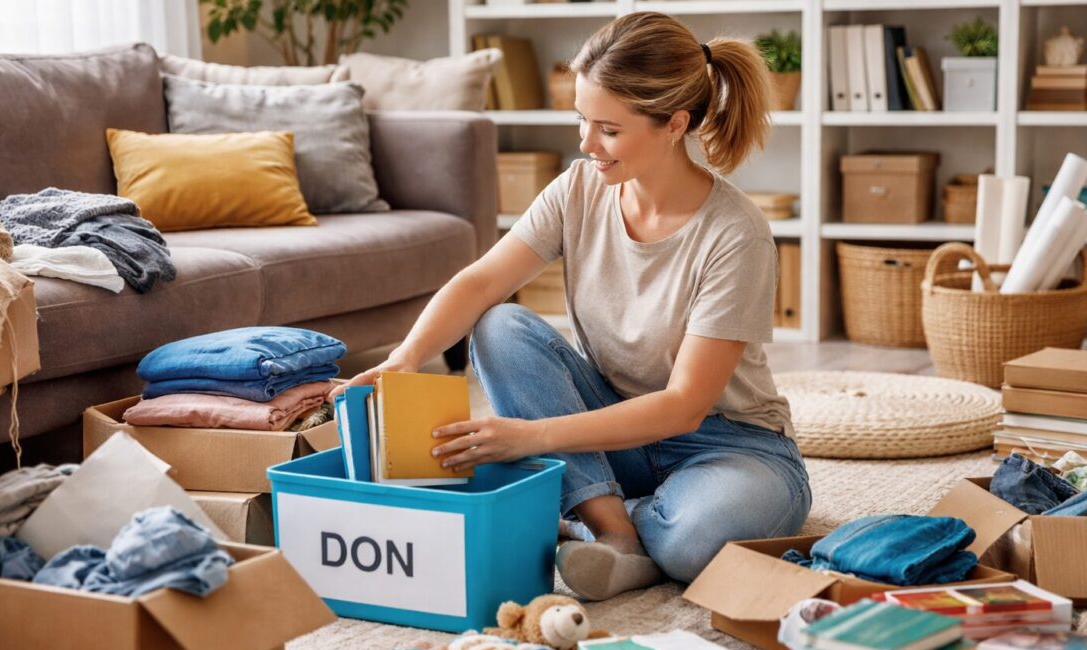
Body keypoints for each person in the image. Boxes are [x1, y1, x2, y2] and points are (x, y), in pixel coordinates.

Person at [332, 11, 811, 601]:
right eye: (582, 121)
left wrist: (529, 440)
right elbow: (481, 283)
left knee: (693, 542)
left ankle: (591, 510)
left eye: (608, 130)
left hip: (729, 445)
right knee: (500, 325)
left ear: (673, 124)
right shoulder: (578, 189)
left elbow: (685, 407)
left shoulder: (736, 234)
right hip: (614, 432)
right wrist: (405, 359)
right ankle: (617, 533)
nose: (586, 144)